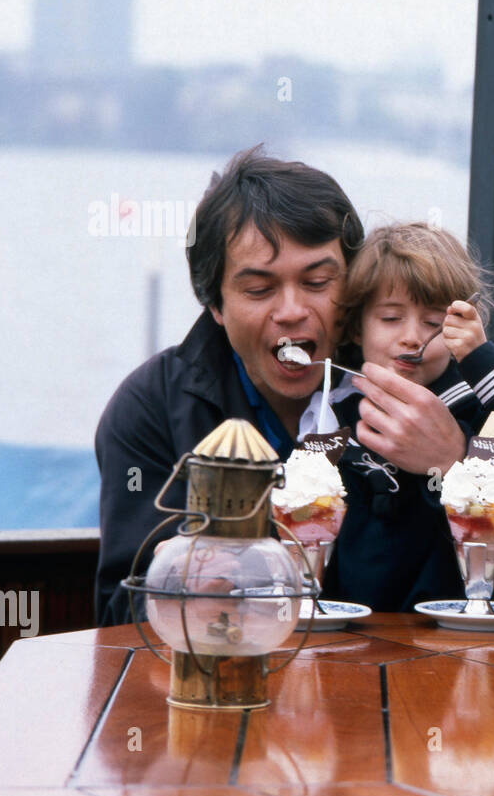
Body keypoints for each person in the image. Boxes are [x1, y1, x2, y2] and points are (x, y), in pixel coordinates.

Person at [93, 144, 366, 628]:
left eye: (318, 282)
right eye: (259, 290)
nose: (291, 311)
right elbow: (121, 610)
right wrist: (186, 582)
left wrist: (447, 460)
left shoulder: (402, 390)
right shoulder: (151, 407)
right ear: (214, 305)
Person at [324, 220, 494, 612]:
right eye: (391, 318)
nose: (411, 336)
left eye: (433, 323)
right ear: (357, 327)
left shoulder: (480, 407)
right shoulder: (332, 414)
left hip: (465, 627)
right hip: (360, 632)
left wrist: (483, 362)